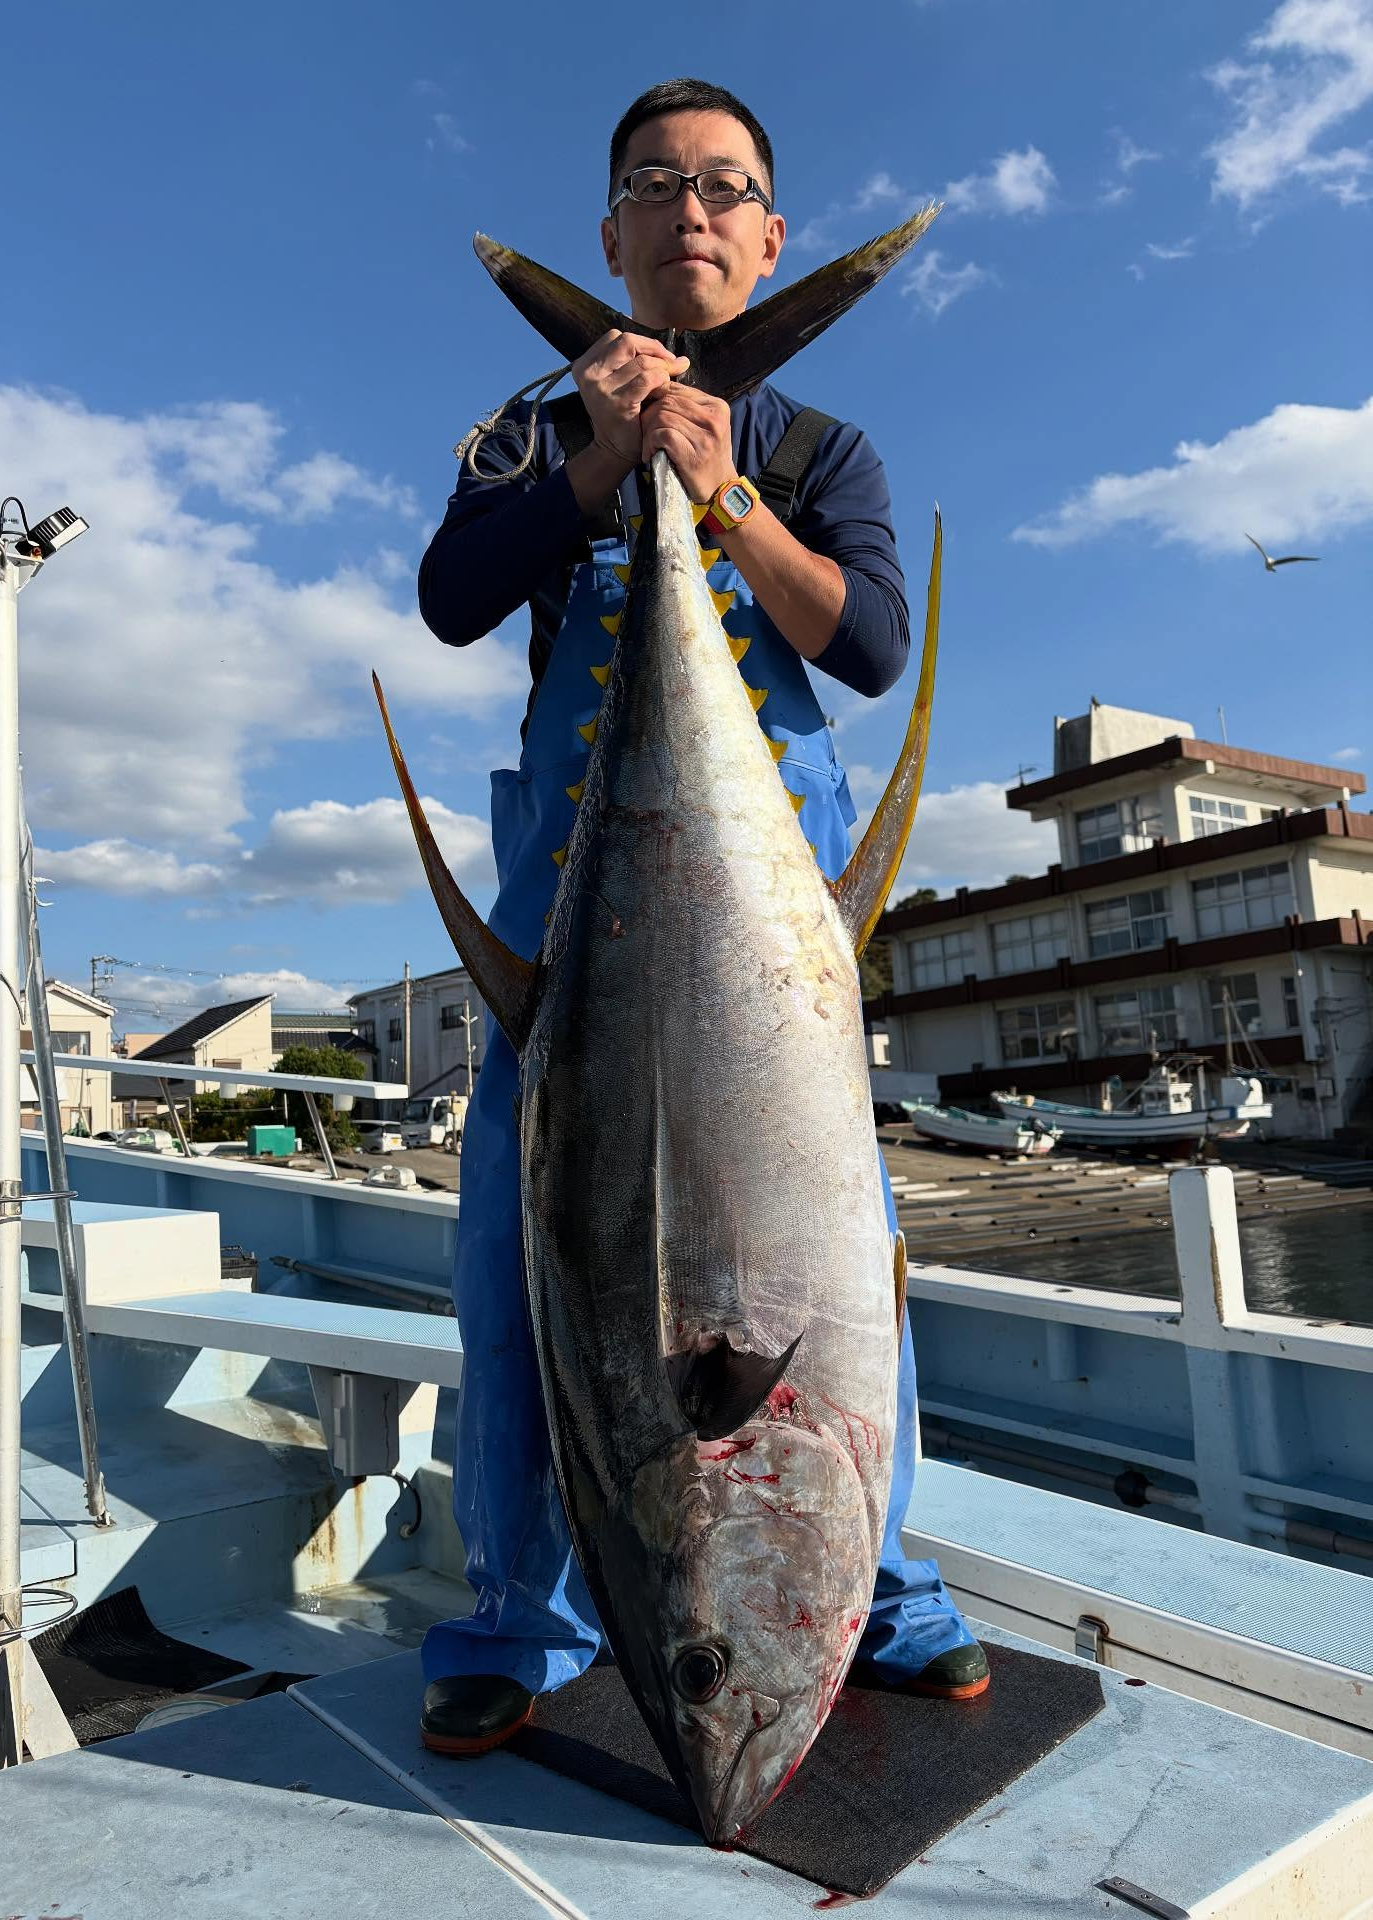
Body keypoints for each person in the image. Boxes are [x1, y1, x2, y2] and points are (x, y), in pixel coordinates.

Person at [416, 77, 988, 1757]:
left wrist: (722, 489)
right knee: (510, 1272)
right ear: (608, 234)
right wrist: (602, 451)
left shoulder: (818, 448)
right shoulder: (527, 430)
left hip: (767, 955)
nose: (691, 210)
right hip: (576, 933)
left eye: (724, 186)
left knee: (840, 1265)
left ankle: (879, 1591)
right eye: (656, 185)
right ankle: (520, 1620)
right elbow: (455, 600)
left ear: (769, 236)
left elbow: (868, 646)